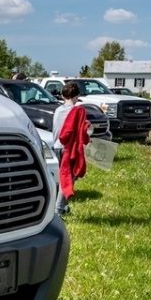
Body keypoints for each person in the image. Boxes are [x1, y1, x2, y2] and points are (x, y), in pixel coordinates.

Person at [52, 82, 90, 215]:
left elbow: (56, 131)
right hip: (69, 148)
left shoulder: (58, 110)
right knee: (67, 178)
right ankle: (58, 209)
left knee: (61, 177)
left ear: (63, 96)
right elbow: (82, 132)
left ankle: (63, 207)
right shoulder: (78, 111)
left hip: (56, 146)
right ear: (77, 95)